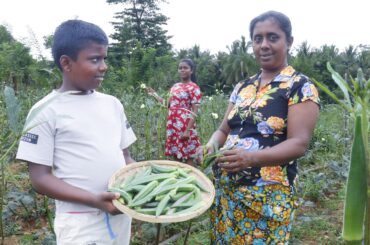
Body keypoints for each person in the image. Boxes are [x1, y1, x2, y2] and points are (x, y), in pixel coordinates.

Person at [196, 11, 320, 244]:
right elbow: (223, 130)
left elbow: (298, 143)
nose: (264, 45)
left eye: (273, 38)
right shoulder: (243, 87)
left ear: (289, 42)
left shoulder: (299, 86)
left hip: (267, 198)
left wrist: (251, 158)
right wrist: (211, 146)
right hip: (227, 196)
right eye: (257, 38)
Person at [16, 20, 136, 244]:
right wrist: (94, 200)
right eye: (94, 59)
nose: (104, 66)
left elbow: (125, 156)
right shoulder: (45, 110)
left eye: (104, 59)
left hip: (120, 214)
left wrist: (146, 185)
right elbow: (39, 178)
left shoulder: (112, 104)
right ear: (66, 63)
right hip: (80, 222)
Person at [146, 59, 202, 166]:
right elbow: (168, 105)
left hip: (185, 125)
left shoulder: (194, 88)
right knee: (177, 155)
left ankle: (189, 179)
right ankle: (178, 180)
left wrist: (187, 130)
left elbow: (195, 111)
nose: (182, 70)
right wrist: (154, 95)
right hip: (173, 125)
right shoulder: (175, 86)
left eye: (185, 68)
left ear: (191, 71)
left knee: (188, 154)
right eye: (180, 68)